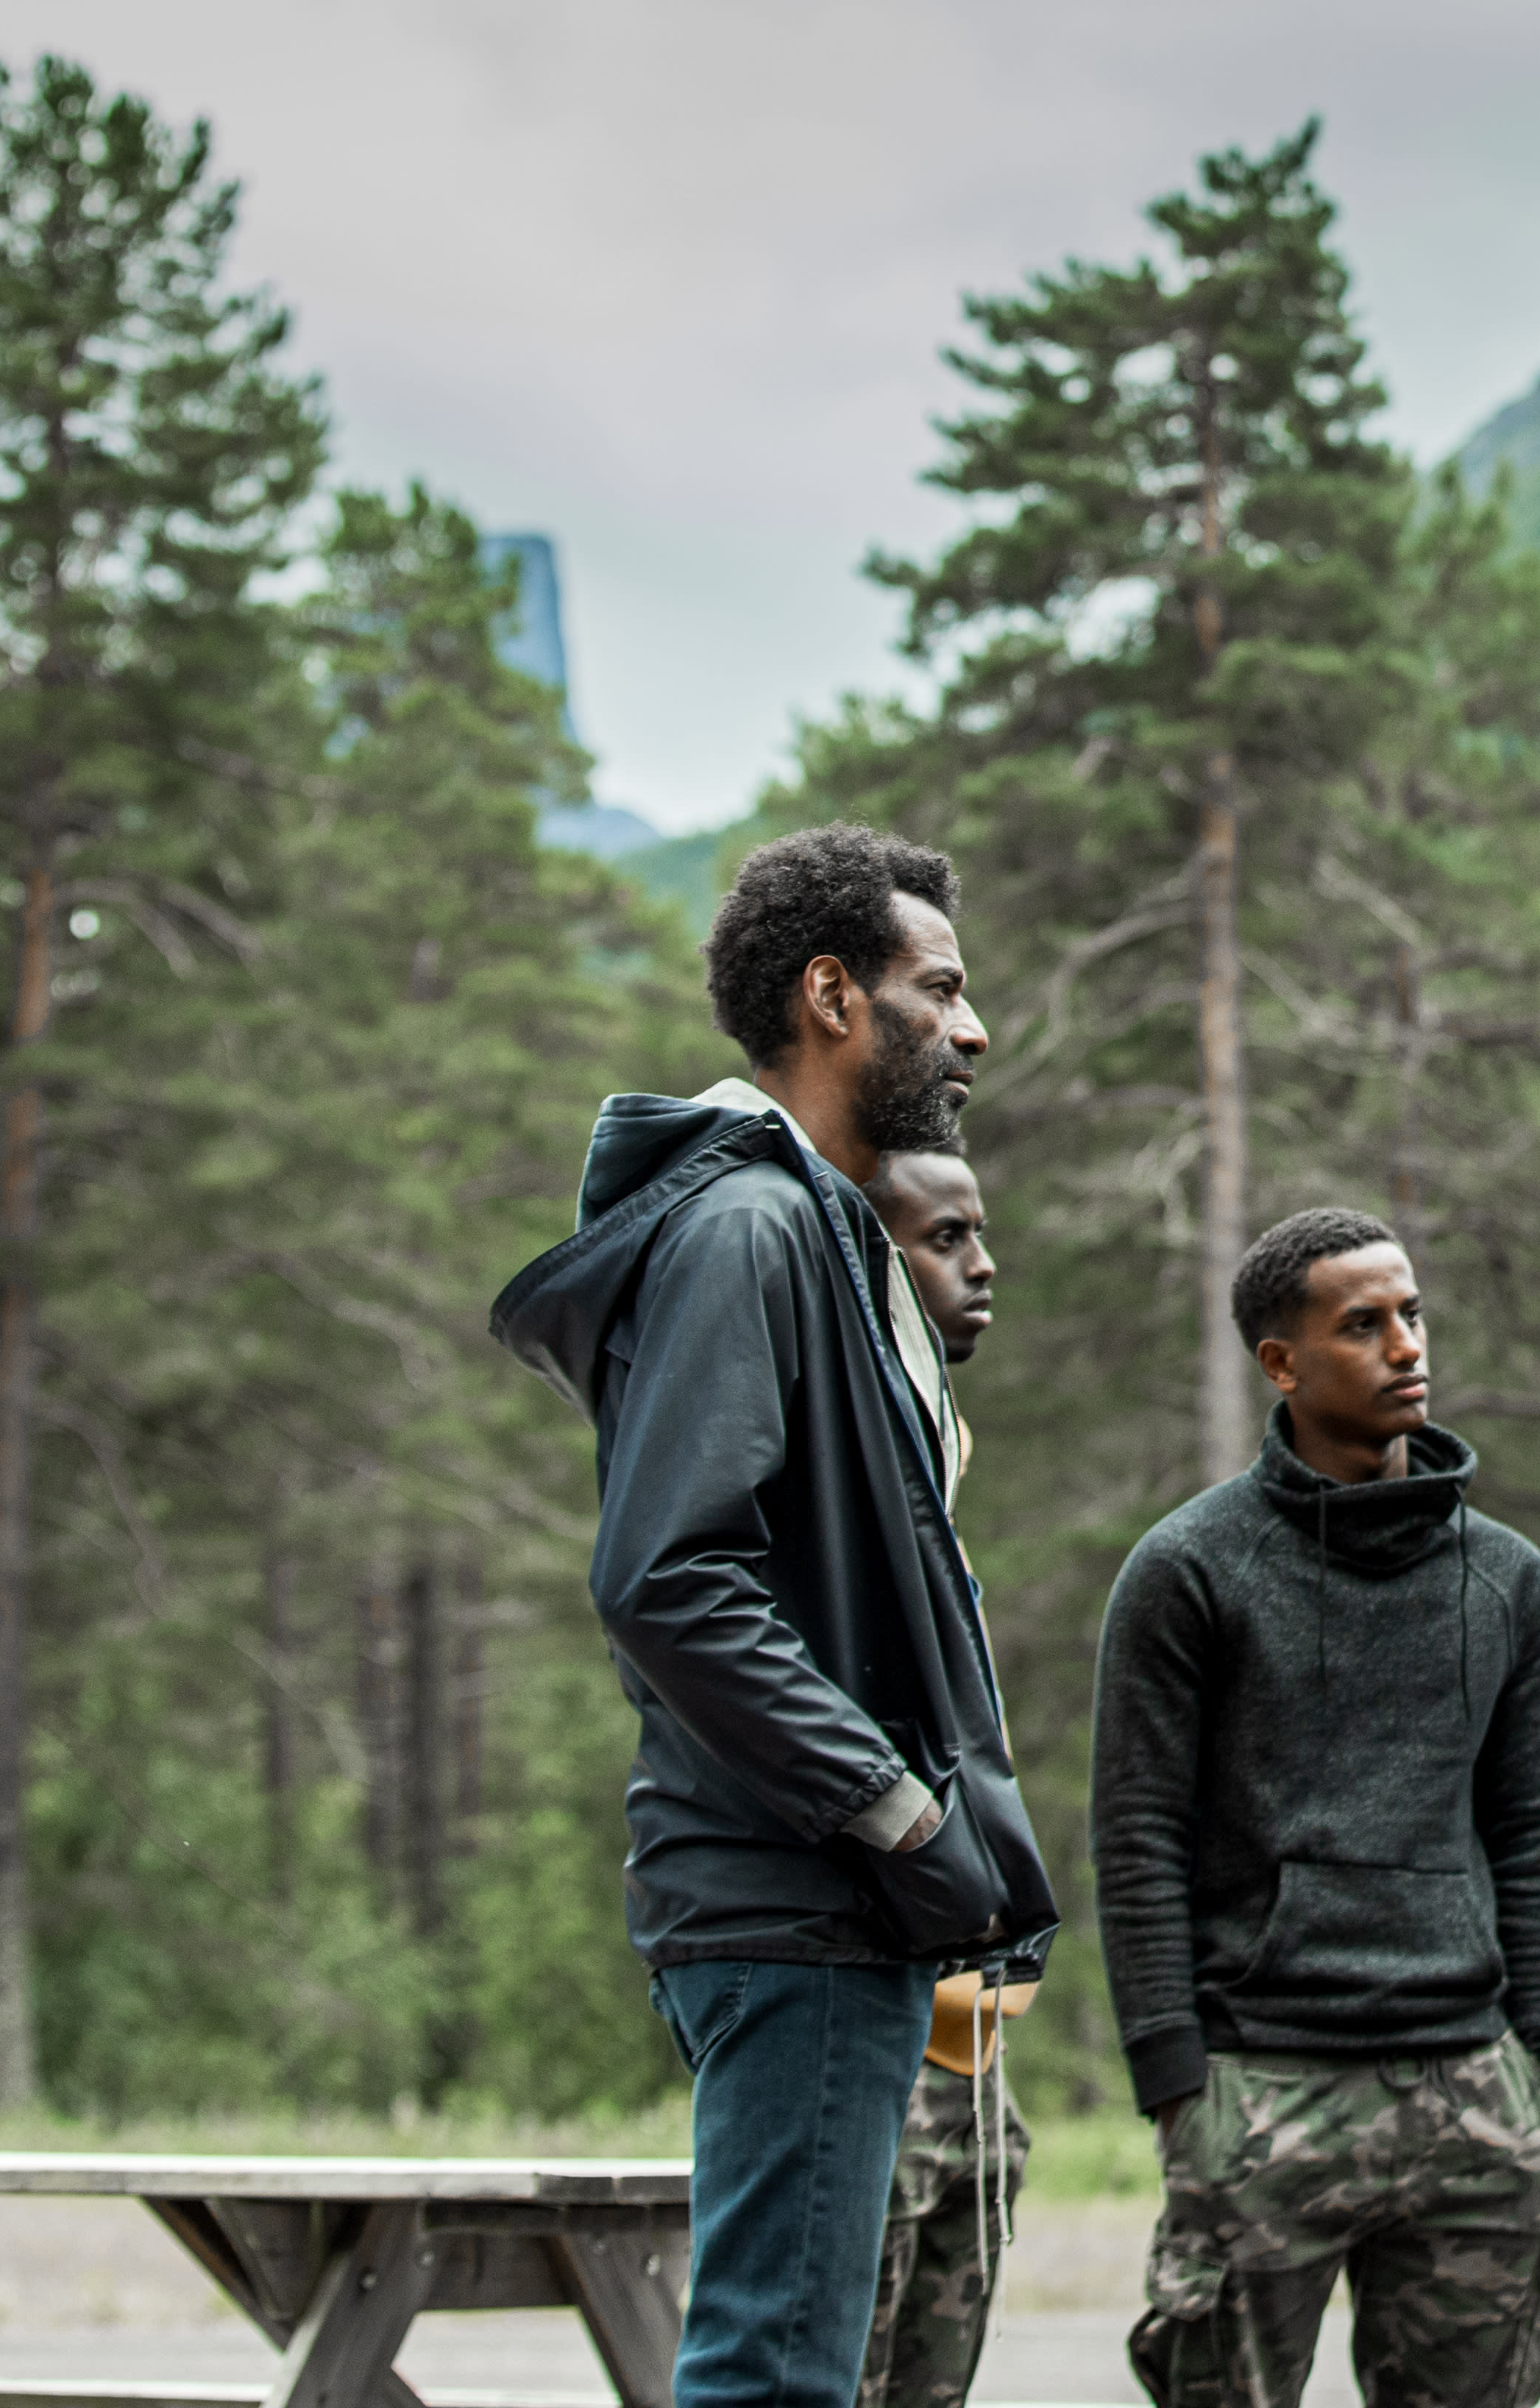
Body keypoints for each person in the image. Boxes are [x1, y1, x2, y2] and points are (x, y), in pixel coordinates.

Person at [490, 825, 1056, 2408]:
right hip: (796, 1900)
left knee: (793, 2358)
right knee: (778, 2370)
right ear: (831, 997)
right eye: (938, 988)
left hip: (818, 1905)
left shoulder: (811, 1230)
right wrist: (888, 1814)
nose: (972, 1027)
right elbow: (666, 1576)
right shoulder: (748, 1231)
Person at [1094, 1207, 1540, 2408]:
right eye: (1362, 1326)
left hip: (1471, 2087)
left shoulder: (1506, 1579)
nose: (1407, 1346)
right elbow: (1136, 1839)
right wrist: (1175, 2082)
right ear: (1283, 1362)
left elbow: (1530, 1834)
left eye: (1412, 1315)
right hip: (1262, 2089)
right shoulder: (1188, 1571)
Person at [855, 1150, 1040, 2408]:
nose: (982, 1266)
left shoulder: (937, 1454)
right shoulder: (837, 1466)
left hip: (970, 2058)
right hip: (868, 2039)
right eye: (943, 1238)